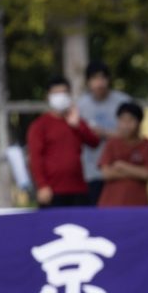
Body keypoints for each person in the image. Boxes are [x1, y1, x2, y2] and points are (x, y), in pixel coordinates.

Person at [27, 77, 100, 207]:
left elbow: (94, 142)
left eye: (64, 93)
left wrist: (78, 125)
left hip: (78, 189)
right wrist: (42, 185)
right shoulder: (40, 125)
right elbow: (36, 158)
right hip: (52, 191)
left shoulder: (76, 121)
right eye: (56, 93)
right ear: (48, 96)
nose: (60, 97)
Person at [77, 60, 131, 205]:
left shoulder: (123, 102)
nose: (99, 83)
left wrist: (104, 133)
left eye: (102, 78)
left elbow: (132, 135)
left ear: (108, 79)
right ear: (88, 82)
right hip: (90, 172)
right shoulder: (80, 105)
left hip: (120, 171)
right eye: (94, 79)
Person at [98, 102, 148, 207]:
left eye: (130, 120)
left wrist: (122, 166)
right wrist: (136, 172)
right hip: (111, 204)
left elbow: (147, 174)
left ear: (139, 122)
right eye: (122, 120)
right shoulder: (112, 143)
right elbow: (106, 174)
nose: (126, 125)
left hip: (138, 203)